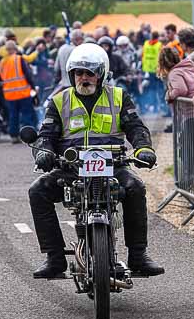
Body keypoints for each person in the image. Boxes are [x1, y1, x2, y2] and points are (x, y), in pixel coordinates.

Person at [28, 43, 163, 278]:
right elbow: (46, 135)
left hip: (113, 166)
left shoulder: (119, 96)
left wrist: (143, 148)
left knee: (135, 187)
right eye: (79, 73)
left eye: (89, 73)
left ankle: (138, 256)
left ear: (101, 74)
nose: (84, 78)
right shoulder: (59, 101)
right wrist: (44, 152)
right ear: (71, 75)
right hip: (71, 167)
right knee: (38, 190)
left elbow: (135, 127)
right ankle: (54, 257)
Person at [0, 41, 37, 143]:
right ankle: (27, 136)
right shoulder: (19, 59)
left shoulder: (2, 62)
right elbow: (27, 74)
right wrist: (33, 87)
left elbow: (1, 77)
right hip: (22, 92)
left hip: (9, 94)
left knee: (13, 115)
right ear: (15, 49)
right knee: (26, 115)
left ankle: (14, 136)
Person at [141, 32, 164, 114]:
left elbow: (142, 55)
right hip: (157, 70)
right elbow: (162, 56)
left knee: (151, 90)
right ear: (157, 37)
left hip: (147, 70)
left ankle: (153, 107)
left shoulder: (146, 43)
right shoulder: (159, 45)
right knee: (159, 90)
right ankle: (158, 107)